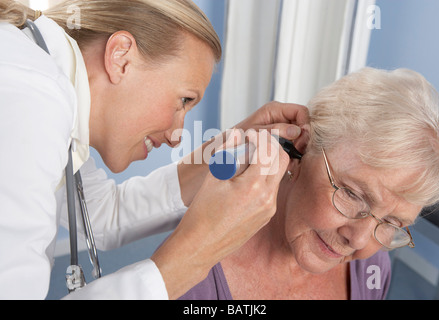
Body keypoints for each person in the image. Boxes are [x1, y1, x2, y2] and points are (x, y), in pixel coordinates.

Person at [0, 0, 308, 299]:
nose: (177, 136)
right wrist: (200, 247)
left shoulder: (48, 92)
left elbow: (105, 214)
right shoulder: (32, 101)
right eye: (184, 100)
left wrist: (237, 140)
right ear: (121, 57)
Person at [179, 67, 439, 300]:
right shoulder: (189, 271)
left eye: (392, 223)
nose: (358, 240)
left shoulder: (372, 269)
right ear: (303, 147)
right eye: (353, 195)